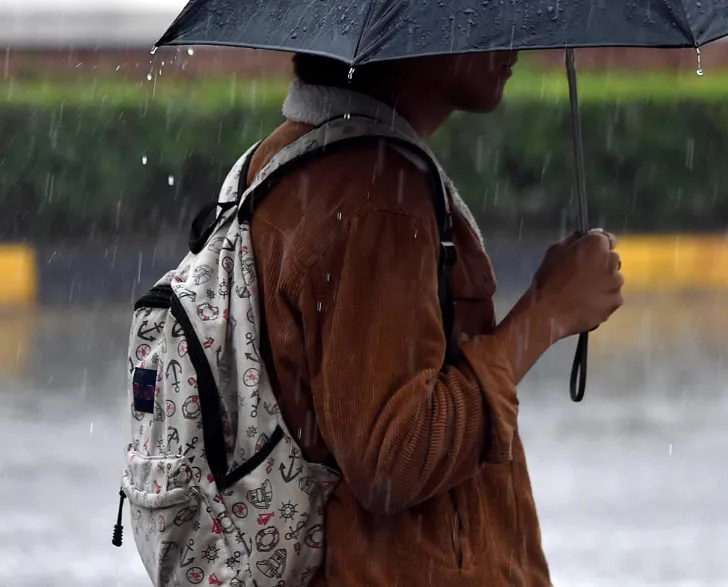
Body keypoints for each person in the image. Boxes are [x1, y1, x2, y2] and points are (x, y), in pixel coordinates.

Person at [245, 50, 624, 586]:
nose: (512, 40)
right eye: (482, 7)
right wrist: (546, 313)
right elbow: (393, 458)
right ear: (411, 44)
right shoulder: (376, 198)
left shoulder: (288, 154)